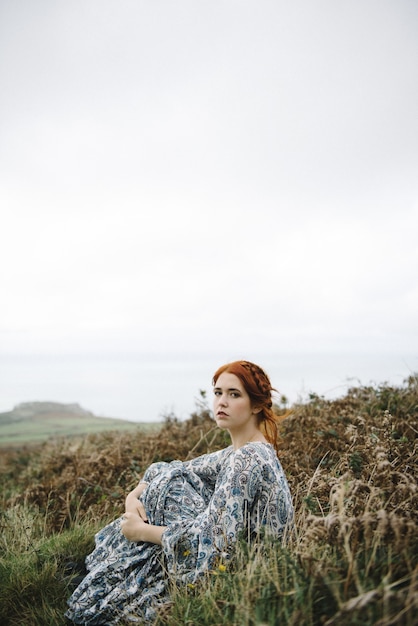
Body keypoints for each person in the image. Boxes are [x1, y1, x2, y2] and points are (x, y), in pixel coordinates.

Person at [65, 360, 293, 625]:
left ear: (256, 405)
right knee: (168, 478)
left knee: (167, 492)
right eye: (218, 393)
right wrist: (132, 497)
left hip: (245, 572)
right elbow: (170, 469)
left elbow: (213, 542)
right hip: (237, 554)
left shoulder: (248, 459)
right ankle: (105, 569)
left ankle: (105, 570)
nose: (222, 402)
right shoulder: (241, 451)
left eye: (234, 394)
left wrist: (141, 531)